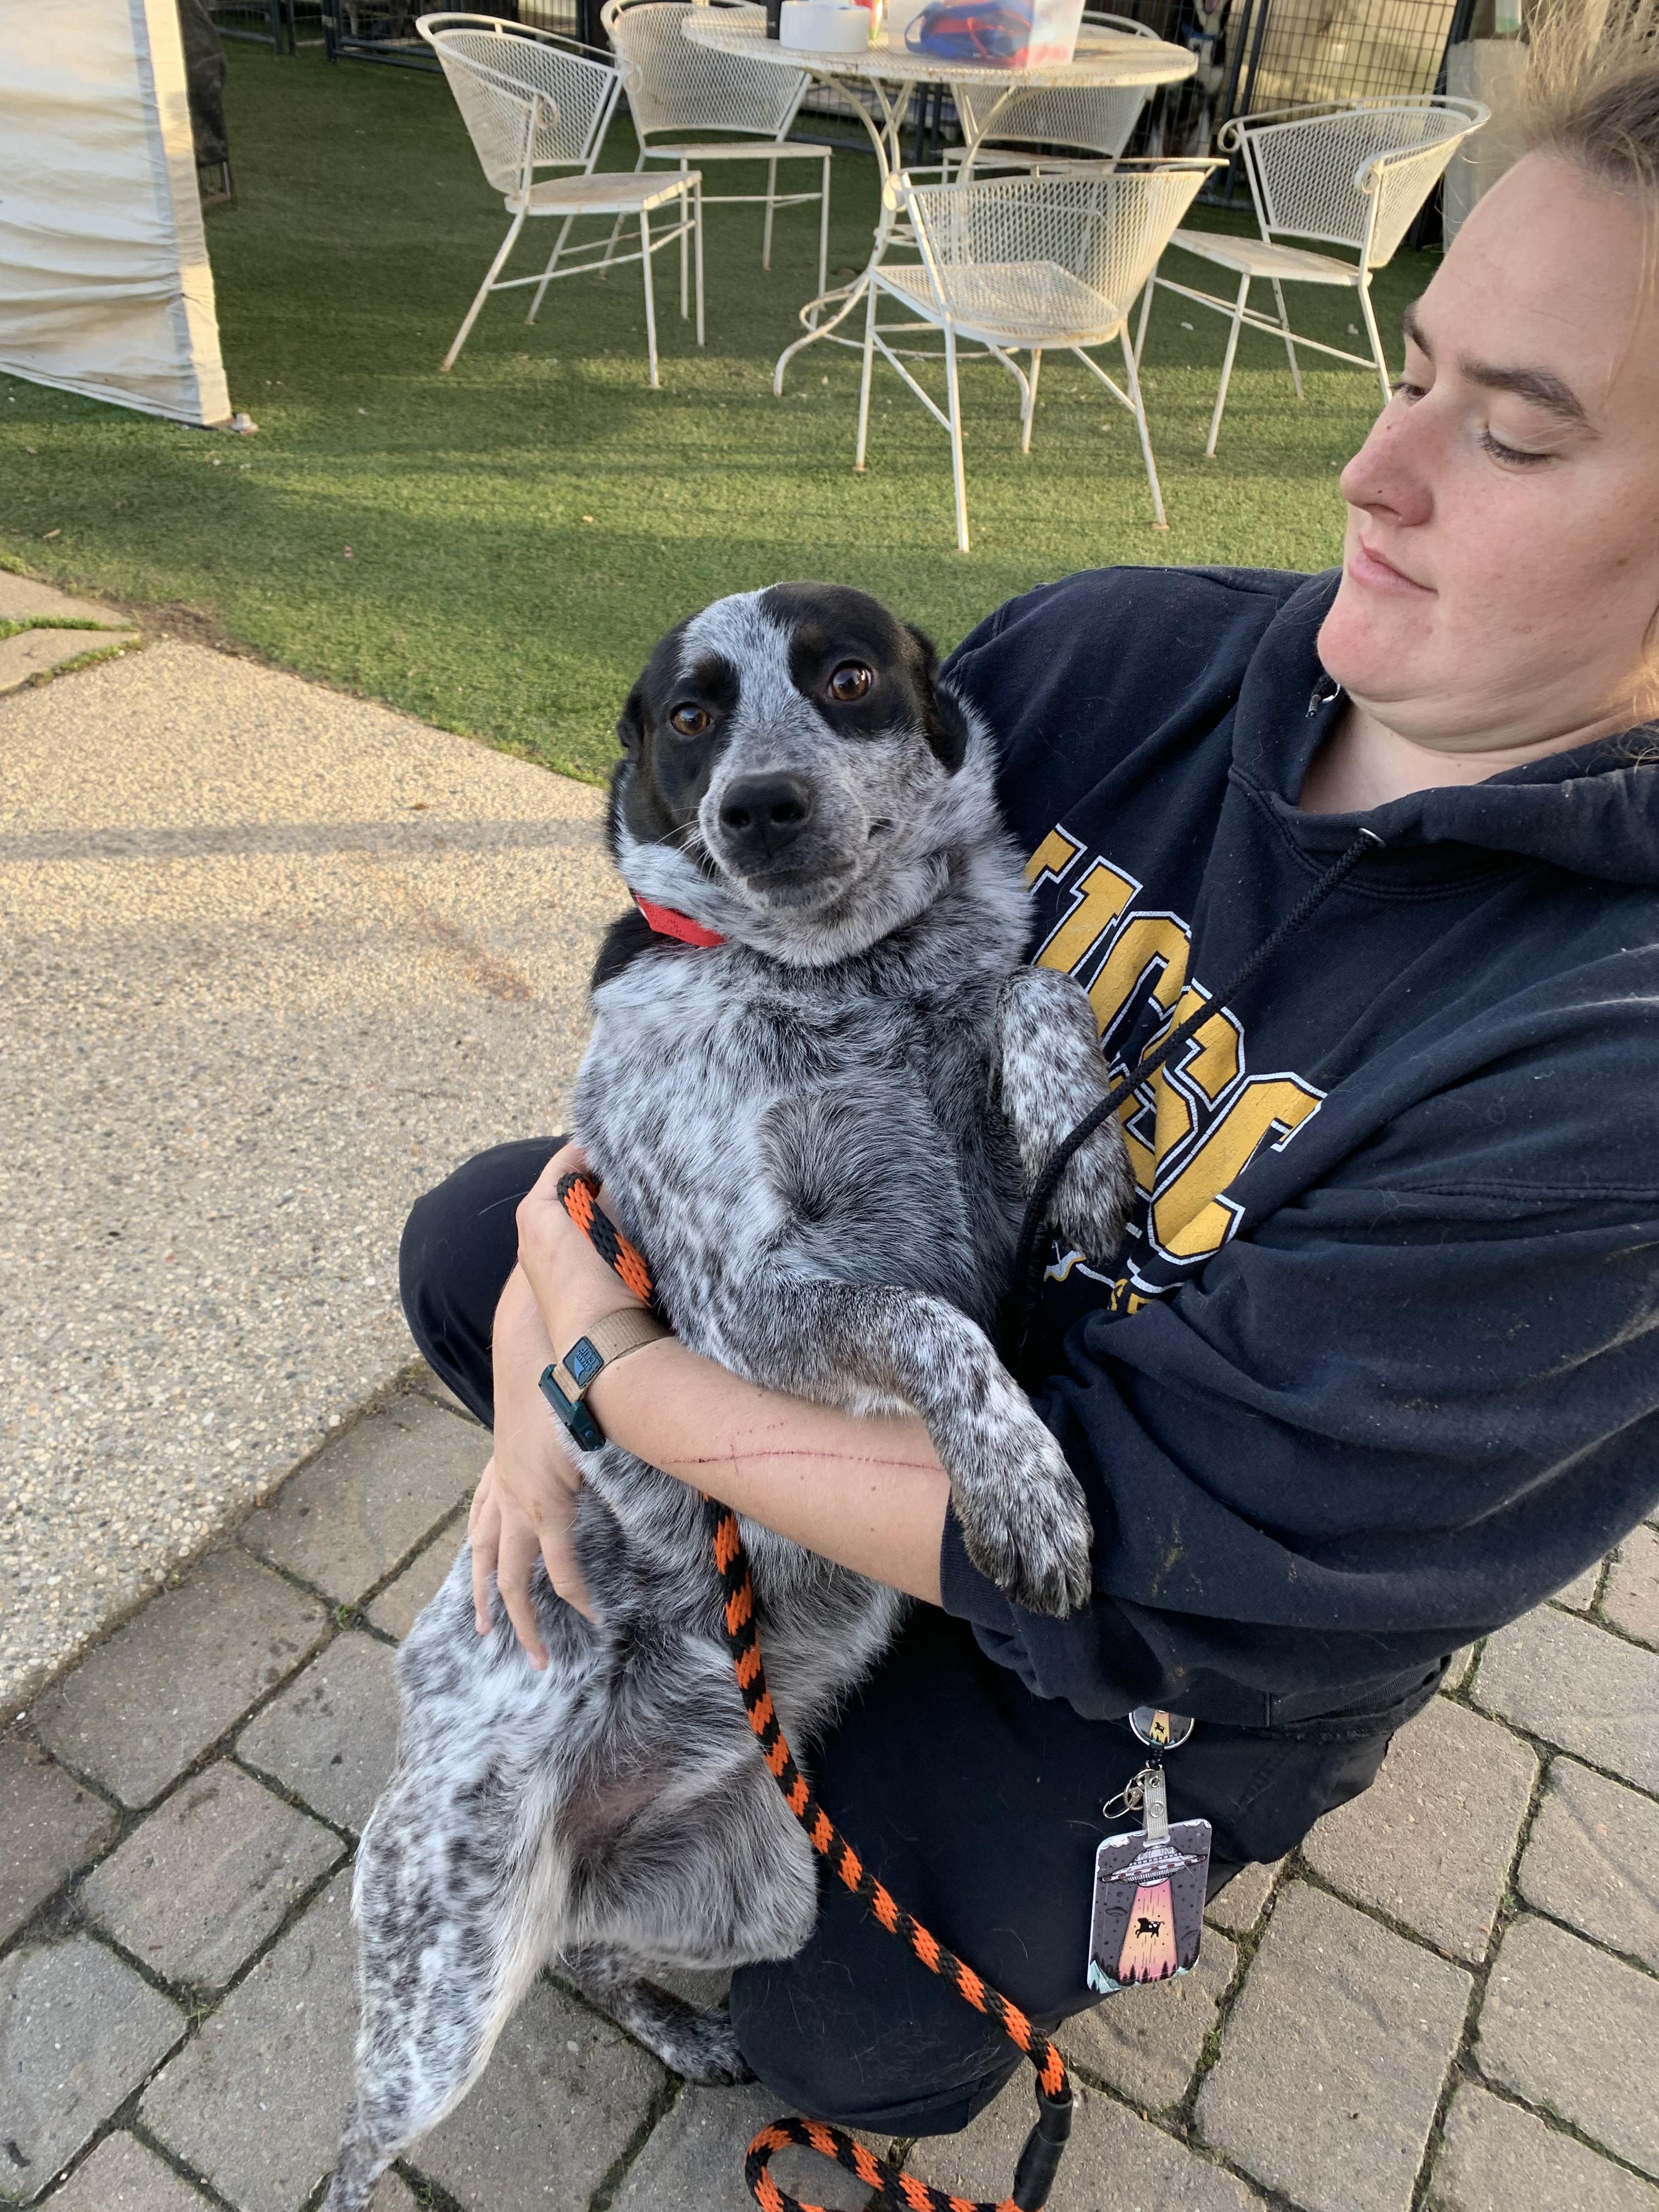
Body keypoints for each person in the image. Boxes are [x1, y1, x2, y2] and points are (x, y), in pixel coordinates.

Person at [399, 7, 1659, 2141]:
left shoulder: (1605, 1073)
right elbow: (692, 973)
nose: (1376, 473)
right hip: (884, 1367)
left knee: (858, 2040)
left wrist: (620, 1385)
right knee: (474, 1242)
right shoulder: (1116, 654)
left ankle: (1009, 1891)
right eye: (1417, 368)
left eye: (1518, 434)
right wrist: (543, 1359)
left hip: (1123, 1599)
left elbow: (1161, 1545)